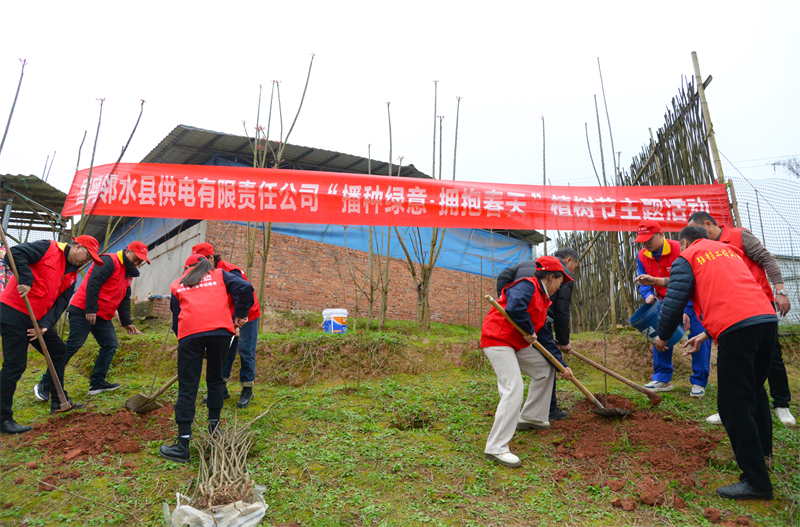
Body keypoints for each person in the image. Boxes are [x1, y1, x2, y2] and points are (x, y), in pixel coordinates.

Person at [654, 226, 778, 500]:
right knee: (754, 391)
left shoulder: (687, 257)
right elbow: (735, 294)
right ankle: (763, 457)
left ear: (684, 242)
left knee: (734, 404)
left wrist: (662, 336)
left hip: (738, 329)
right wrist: (704, 335)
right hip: (766, 321)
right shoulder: (727, 251)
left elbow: (674, 300)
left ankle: (756, 482)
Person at [687, 211, 795, 427]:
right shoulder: (706, 251)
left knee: (772, 355)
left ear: (708, 224)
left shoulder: (739, 236)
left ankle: (781, 404)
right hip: (730, 312)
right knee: (732, 361)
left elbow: (767, 258)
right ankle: (732, 407)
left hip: (759, 304)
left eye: (697, 230)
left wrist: (781, 290)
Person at [0, 235, 103, 433]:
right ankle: (2, 418)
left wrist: (45, 325)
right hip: (14, 312)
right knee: (15, 365)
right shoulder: (48, 248)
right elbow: (14, 253)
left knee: (58, 351)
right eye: (88, 255)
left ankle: (58, 400)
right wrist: (26, 279)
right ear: (77, 247)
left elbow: (60, 304)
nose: (87, 260)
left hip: (36, 321)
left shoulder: (73, 275)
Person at [158, 254, 254, 463]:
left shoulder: (177, 284)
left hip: (190, 334)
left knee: (188, 387)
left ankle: (183, 445)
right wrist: (240, 314)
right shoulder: (220, 274)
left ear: (186, 268)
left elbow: (176, 318)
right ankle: (214, 428)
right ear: (206, 265)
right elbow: (246, 288)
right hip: (221, 332)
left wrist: (186, 341)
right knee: (215, 379)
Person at [482, 256, 575, 468]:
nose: (560, 287)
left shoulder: (544, 299)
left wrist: (561, 365)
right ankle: (496, 448)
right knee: (513, 388)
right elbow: (515, 308)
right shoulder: (526, 285)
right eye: (560, 282)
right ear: (550, 278)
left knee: (545, 368)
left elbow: (545, 337)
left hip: (516, 343)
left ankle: (532, 416)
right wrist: (529, 329)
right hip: (497, 339)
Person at [33, 241, 150, 401]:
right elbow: (93, 283)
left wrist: (126, 322)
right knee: (72, 347)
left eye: (140, 261)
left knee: (110, 344)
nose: (136, 263)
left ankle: (97, 383)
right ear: (128, 251)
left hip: (102, 316)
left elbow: (124, 297)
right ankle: (44, 384)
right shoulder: (109, 261)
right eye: (135, 258)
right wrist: (90, 310)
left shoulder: (127, 272)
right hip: (83, 311)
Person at [496, 247, 579, 421]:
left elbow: (503, 276)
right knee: (549, 358)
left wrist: (506, 301)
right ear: (568, 261)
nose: (571, 273)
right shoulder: (560, 274)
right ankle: (549, 408)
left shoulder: (530, 263)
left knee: (545, 362)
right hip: (536, 320)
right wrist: (563, 341)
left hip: (521, 321)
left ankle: (533, 413)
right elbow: (562, 310)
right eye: (574, 267)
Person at [633, 219, 711, 396]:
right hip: (665, 303)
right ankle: (662, 378)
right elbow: (641, 278)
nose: (646, 244)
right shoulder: (642, 255)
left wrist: (686, 309)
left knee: (699, 335)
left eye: (649, 240)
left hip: (692, 301)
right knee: (660, 334)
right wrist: (647, 294)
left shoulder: (679, 249)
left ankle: (699, 381)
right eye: (642, 241)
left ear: (660, 235)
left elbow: (692, 280)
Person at [192, 242, 261, 409]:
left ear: (210, 258)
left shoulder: (230, 271)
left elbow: (244, 293)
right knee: (225, 351)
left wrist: (239, 318)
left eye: (200, 262)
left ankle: (247, 389)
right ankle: (221, 389)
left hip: (247, 314)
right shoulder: (207, 274)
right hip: (227, 316)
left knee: (245, 351)